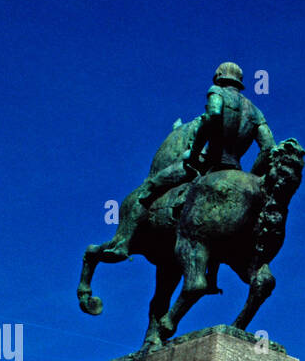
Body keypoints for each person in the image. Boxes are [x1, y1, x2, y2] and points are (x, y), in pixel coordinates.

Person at [104, 62, 274, 261]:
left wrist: (194, 152)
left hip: (204, 163)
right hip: (235, 167)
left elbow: (213, 115)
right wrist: (251, 177)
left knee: (149, 188)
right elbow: (269, 147)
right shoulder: (255, 112)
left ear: (219, 77)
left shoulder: (217, 91)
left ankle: (123, 243)